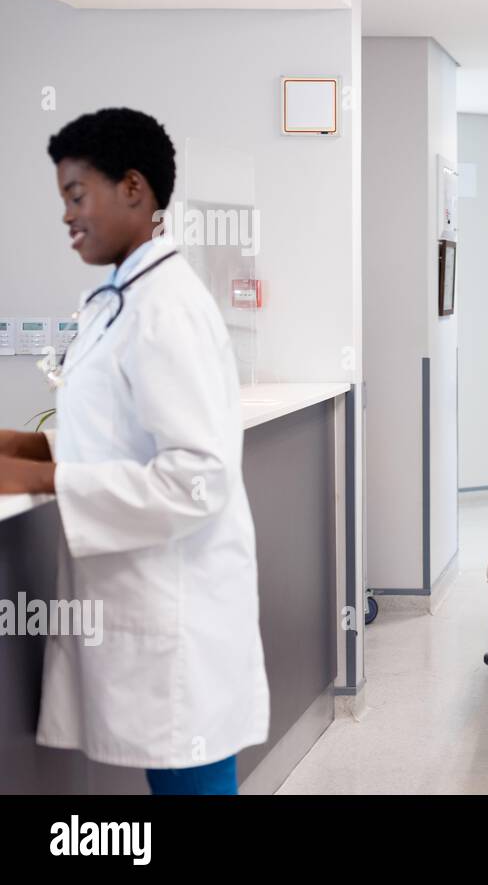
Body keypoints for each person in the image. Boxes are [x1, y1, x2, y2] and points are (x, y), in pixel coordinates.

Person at [0, 107, 268, 795]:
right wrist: (23, 447)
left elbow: (196, 477)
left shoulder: (166, 307)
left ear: (134, 189)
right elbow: (115, 434)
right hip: (149, 603)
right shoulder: (118, 298)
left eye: (76, 194)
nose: (66, 215)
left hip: (177, 609)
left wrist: (41, 476)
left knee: (192, 778)